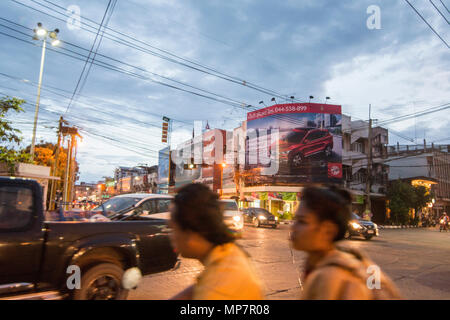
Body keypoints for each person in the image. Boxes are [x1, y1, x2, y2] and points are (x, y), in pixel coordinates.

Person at [290, 186, 401, 300]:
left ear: (328, 231)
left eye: (302, 221)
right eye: (295, 219)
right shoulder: (320, 264)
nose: (293, 227)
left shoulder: (331, 277)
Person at [169, 183, 264, 300]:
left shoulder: (218, 289)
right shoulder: (226, 253)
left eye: (173, 228)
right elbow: (194, 290)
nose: (171, 235)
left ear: (191, 233)